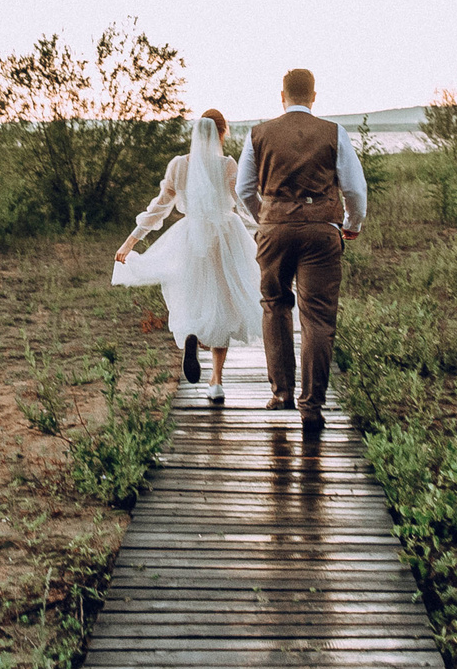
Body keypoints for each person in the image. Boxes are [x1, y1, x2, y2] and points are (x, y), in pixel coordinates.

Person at [234, 68, 367, 434]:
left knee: (275, 306)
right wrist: (352, 224)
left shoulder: (258, 133)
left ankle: (281, 393)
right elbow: (355, 189)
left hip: (274, 231)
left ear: (282, 96)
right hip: (321, 231)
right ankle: (312, 406)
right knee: (318, 319)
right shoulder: (334, 132)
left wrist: (266, 217)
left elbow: (244, 189)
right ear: (313, 96)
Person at [111, 110, 261, 402]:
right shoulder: (227, 165)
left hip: (190, 237)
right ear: (221, 133)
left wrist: (131, 241)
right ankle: (216, 382)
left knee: (193, 295)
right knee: (224, 304)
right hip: (225, 237)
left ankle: (192, 335)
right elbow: (244, 203)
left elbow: (159, 207)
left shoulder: (179, 165)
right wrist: (268, 224)